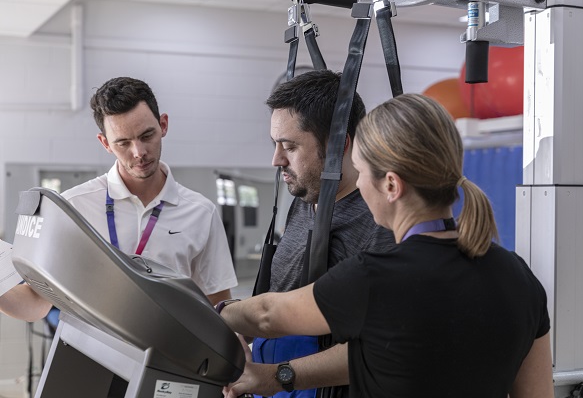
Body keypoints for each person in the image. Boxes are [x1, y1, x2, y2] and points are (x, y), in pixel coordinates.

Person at [220, 94, 554, 398]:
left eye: (362, 171)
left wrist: (219, 311)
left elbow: (267, 316)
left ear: (391, 184)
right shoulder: (518, 276)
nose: (360, 183)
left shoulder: (373, 277)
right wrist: (276, 375)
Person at [227, 70, 396, 398]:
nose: (276, 160)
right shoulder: (305, 200)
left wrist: (275, 375)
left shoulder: (380, 225)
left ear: (338, 147)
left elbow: (380, 347)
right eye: (275, 144)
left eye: (288, 146)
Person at [62, 77, 237, 306]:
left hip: (170, 341)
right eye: (123, 143)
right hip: (92, 342)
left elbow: (218, 305)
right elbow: (37, 300)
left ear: (163, 125)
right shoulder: (73, 206)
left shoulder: (201, 212)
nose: (139, 152)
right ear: (105, 143)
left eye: (147, 136)